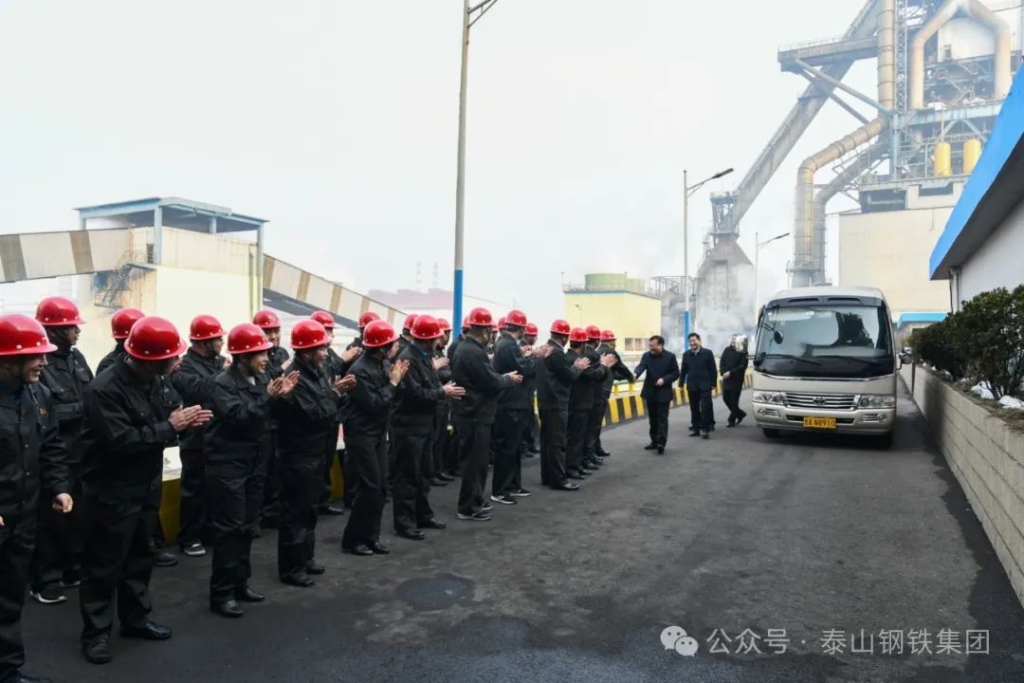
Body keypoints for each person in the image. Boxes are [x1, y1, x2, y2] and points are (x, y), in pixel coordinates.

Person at [79, 316, 211, 665]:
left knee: (141, 556)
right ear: (151, 360)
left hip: (144, 485)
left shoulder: (157, 380)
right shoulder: (105, 389)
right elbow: (121, 441)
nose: (176, 361)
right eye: (171, 357)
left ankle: (135, 619)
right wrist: (170, 427)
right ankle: (95, 634)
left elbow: (169, 416)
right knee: (104, 565)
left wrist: (183, 424)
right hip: (111, 490)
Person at [206, 324, 299, 617]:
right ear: (243, 356)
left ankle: (240, 583)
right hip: (228, 465)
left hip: (254, 463)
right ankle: (222, 593)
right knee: (230, 529)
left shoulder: (262, 379)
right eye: (260, 354)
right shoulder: (222, 384)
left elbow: (271, 415)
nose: (266, 359)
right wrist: (270, 397)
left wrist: (284, 397)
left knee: (247, 526)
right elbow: (238, 417)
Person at [0, 313, 73, 683]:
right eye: (36, 355)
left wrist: (59, 486)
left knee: (10, 596)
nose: (45, 361)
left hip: (23, 516)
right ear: (8, 361)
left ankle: (8, 669)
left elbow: (51, 447)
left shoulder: (39, 395)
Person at [275, 320, 355, 586]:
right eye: (321, 348)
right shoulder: (295, 379)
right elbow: (316, 414)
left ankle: (305, 558)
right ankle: (291, 568)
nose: (325, 353)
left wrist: (336, 394)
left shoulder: (316, 372)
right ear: (307, 352)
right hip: (298, 456)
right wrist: (335, 394)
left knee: (309, 511)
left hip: (314, 454)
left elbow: (327, 409)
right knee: (295, 515)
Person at [30, 297, 92, 607]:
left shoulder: (77, 358)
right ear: (54, 330)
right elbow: (48, 411)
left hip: (81, 451)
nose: (77, 331)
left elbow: (93, 393)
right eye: (72, 327)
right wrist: (84, 409)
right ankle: (46, 579)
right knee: (50, 518)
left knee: (76, 514)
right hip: (55, 453)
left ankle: (72, 567)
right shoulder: (39, 365)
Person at [391, 315, 462, 540]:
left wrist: (441, 389)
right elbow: (415, 394)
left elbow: (429, 384)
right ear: (426, 340)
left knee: (423, 473)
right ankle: (404, 522)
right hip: (409, 428)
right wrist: (443, 392)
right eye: (436, 338)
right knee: (408, 476)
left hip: (423, 426)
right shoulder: (407, 359)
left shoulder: (423, 356)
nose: (439, 341)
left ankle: (422, 514)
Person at [342, 320, 408, 555]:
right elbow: (375, 403)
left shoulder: (383, 363)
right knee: (369, 488)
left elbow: (392, 396)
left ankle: (371, 536)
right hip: (362, 435)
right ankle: (352, 539)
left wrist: (396, 381)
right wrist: (394, 382)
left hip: (377, 433)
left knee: (380, 489)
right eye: (392, 344)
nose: (396, 347)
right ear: (381, 348)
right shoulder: (359, 371)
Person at [451, 308, 521, 521]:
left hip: (471, 414)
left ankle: (475, 500)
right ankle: (468, 507)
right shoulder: (473, 352)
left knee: (476, 463)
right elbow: (490, 382)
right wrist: (507, 379)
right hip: (475, 415)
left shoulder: (465, 349)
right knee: (475, 464)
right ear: (484, 332)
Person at [170, 314, 228, 558]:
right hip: (196, 438)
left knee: (215, 489)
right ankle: (189, 537)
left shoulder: (219, 362)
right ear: (205, 342)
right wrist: (226, 375)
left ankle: (209, 531)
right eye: (218, 339)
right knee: (194, 489)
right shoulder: (184, 366)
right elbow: (199, 390)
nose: (222, 343)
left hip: (217, 437)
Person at [491, 310, 548, 505]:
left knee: (513, 447)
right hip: (510, 404)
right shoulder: (508, 345)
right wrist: (537, 357)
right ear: (522, 328)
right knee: (507, 448)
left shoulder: (506, 344)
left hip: (513, 403)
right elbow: (525, 369)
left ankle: (513, 485)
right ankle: (500, 490)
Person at [309, 311, 360, 517]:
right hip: (318, 415)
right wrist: (343, 359)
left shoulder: (329, 353)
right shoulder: (316, 358)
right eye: (327, 330)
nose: (331, 334)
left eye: (331, 330)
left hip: (331, 412)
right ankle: (314, 501)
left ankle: (323, 499)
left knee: (327, 459)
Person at [535, 320, 589, 491]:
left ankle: (548, 476)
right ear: (564, 337)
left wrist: (572, 367)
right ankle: (559, 479)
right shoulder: (557, 352)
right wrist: (578, 368)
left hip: (545, 401)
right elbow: (569, 376)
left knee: (547, 441)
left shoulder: (545, 348)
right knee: (558, 442)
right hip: (557, 402)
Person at [252, 309, 289, 529]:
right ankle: (255, 517)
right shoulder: (256, 357)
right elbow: (266, 380)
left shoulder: (282, 352)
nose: (274, 336)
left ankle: (272, 511)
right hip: (262, 421)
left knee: (276, 469)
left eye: (276, 331)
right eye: (269, 332)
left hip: (279, 420)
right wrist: (281, 370)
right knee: (259, 472)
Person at [634, 335, 679, 454]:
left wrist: (664, 380)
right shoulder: (646, 356)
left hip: (664, 392)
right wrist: (635, 374)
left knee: (662, 419)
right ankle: (654, 441)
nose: (651, 348)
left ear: (661, 345)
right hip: (650, 392)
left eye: (653, 346)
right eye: (650, 346)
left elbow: (675, 373)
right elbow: (641, 366)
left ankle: (661, 443)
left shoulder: (670, 357)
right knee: (653, 419)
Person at [594, 329, 634, 458]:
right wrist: (631, 378)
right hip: (602, 392)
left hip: (595, 392)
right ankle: (593, 451)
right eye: (614, 341)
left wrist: (622, 377)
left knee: (594, 423)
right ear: (611, 342)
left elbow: (612, 372)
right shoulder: (610, 352)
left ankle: (596, 448)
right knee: (596, 424)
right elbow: (621, 367)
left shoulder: (597, 352)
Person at [429, 318, 457, 487]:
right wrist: (448, 372)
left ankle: (438, 470)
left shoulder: (439, 353)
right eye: (446, 333)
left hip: (444, 400)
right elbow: (434, 376)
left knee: (440, 438)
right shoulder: (432, 354)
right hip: (437, 400)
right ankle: (432, 472)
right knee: (434, 439)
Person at [680, 332, 718, 439]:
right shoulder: (686, 354)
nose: (692, 343)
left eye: (694, 340)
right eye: (690, 341)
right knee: (694, 408)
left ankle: (705, 429)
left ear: (699, 341)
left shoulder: (707, 353)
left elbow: (713, 369)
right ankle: (695, 428)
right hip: (692, 385)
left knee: (705, 407)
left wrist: (713, 383)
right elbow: (683, 370)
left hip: (705, 385)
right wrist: (681, 384)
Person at [519, 322, 541, 458]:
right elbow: (528, 369)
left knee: (529, 419)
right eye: (534, 336)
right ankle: (523, 446)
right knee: (524, 420)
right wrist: (537, 357)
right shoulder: (523, 349)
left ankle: (529, 444)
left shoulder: (528, 349)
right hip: (524, 390)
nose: (535, 338)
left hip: (529, 390)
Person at [720, 334, 749, 427]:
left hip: (736, 380)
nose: (733, 341)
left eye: (735, 339)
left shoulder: (743, 352)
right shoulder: (727, 350)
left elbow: (743, 366)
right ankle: (740, 414)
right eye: (732, 339)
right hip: (726, 379)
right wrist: (723, 372)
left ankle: (731, 420)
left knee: (733, 401)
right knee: (725, 399)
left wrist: (731, 373)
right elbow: (722, 362)